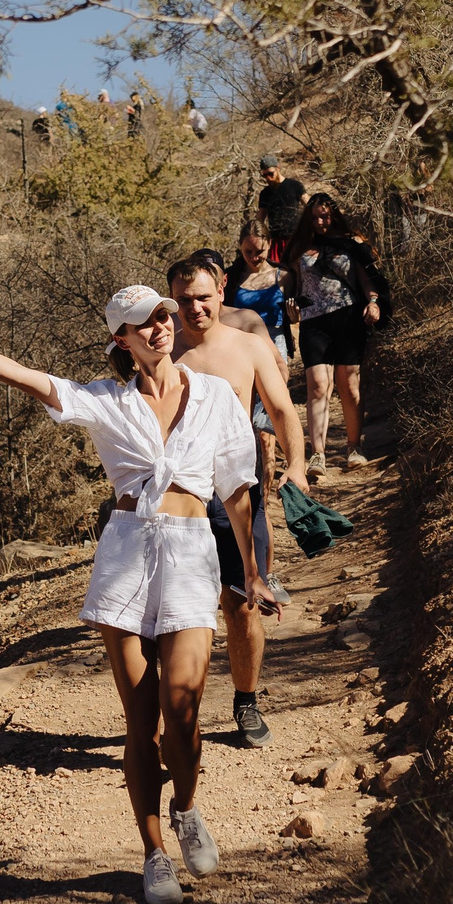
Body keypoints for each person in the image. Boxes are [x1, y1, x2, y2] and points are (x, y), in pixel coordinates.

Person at [0, 285, 274, 904]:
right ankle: (152, 854)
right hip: (125, 557)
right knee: (141, 720)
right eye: (142, 323)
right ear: (121, 338)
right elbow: (23, 376)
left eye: (163, 316)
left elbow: (236, 491)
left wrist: (253, 572)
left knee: (183, 709)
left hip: (191, 553)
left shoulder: (216, 399)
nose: (159, 327)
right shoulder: (104, 401)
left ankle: (187, 808)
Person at [167, 250, 308, 749]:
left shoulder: (249, 346)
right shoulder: (161, 347)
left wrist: (297, 465)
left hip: (237, 494)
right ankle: (182, 713)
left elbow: (282, 408)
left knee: (243, 606)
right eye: (184, 299)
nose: (194, 308)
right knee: (180, 611)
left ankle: (246, 700)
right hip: (177, 498)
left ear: (222, 290)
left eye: (203, 297)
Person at [282, 192, 384, 471]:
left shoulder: (351, 242)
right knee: (317, 386)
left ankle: (354, 447)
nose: (320, 221)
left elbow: (368, 277)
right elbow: (291, 284)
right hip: (313, 321)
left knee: (349, 386)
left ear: (334, 214)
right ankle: (317, 454)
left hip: (348, 318)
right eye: (314, 217)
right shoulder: (299, 247)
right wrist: (289, 309)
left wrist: (373, 302)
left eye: (324, 215)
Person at [223, 220, 293, 366]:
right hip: (240, 346)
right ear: (240, 246)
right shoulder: (229, 279)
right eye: (248, 252)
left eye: (259, 251)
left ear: (269, 244)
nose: (254, 258)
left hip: (275, 346)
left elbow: (292, 319)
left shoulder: (284, 276)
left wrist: (294, 317)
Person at [256, 156, 306, 258]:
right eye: (265, 175)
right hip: (276, 240)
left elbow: (309, 204)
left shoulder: (294, 186)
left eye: (270, 174)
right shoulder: (265, 194)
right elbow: (260, 218)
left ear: (278, 168)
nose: (268, 178)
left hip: (296, 238)